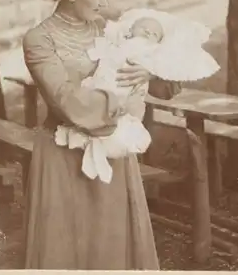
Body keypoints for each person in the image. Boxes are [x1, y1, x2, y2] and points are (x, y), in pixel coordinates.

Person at [22, 0, 180, 270]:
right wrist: (122, 103)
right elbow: (66, 100)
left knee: (111, 248)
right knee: (66, 251)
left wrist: (149, 70)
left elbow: (168, 84)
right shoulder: (39, 40)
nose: (104, 3)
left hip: (114, 156)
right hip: (63, 158)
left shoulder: (109, 30)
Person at [54, 12, 219, 184]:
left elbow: (170, 88)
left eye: (155, 34)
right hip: (89, 102)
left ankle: (97, 148)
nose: (148, 33)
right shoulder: (110, 36)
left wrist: (152, 72)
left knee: (120, 138)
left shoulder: (152, 52)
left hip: (122, 108)